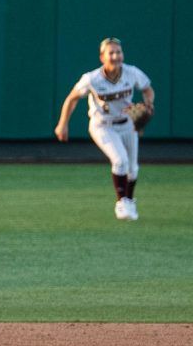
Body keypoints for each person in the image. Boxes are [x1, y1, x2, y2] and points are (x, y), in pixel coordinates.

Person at [55, 37, 155, 221]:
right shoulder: (92, 79)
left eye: (119, 52)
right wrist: (63, 123)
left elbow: (148, 89)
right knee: (120, 161)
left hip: (127, 124)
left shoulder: (131, 73)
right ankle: (121, 202)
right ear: (102, 57)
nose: (116, 56)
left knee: (133, 168)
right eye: (111, 52)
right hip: (102, 125)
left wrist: (148, 104)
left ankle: (129, 202)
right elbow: (72, 98)